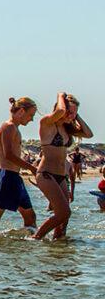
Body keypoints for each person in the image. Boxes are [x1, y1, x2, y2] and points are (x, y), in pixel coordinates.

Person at [33, 92, 93, 240]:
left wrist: (75, 116)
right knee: (63, 213)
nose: (71, 115)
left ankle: (58, 248)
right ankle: (35, 238)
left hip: (61, 176)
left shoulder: (67, 129)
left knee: (64, 221)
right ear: (61, 107)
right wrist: (61, 95)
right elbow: (59, 112)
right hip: (46, 174)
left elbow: (89, 134)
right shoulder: (47, 123)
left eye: (75, 113)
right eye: (69, 111)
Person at [0, 97, 39, 233]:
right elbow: (8, 155)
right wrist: (32, 168)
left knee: (30, 216)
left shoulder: (12, 127)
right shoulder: (8, 127)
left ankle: (27, 246)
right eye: (31, 115)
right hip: (7, 177)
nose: (31, 119)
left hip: (14, 177)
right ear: (21, 111)